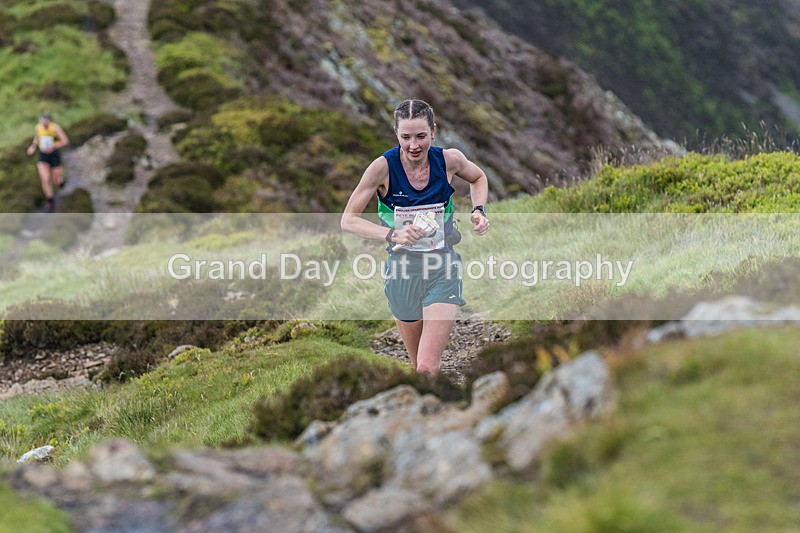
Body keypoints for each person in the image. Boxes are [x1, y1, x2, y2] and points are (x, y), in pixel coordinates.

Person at [341, 99, 490, 375]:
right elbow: (348, 220)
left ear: (433, 131)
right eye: (405, 137)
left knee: (425, 366)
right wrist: (392, 234)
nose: (414, 145)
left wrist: (478, 210)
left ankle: (439, 415)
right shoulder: (382, 168)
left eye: (421, 136)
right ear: (396, 134)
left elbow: (478, 177)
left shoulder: (449, 160)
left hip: (442, 267)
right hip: (401, 272)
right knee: (416, 365)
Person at [26, 112, 69, 212]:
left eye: (46, 122)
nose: (44, 124)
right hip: (43, 155)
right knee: (45, 179)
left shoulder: (55, 128)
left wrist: (53, 146)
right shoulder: (38, 127)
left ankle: (60, 180)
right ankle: (50, 202)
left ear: (49, 121)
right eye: (42, 121)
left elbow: (65, 141)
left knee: (55, 181)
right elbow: (37, 138)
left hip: (54, 155)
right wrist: (33, 147)